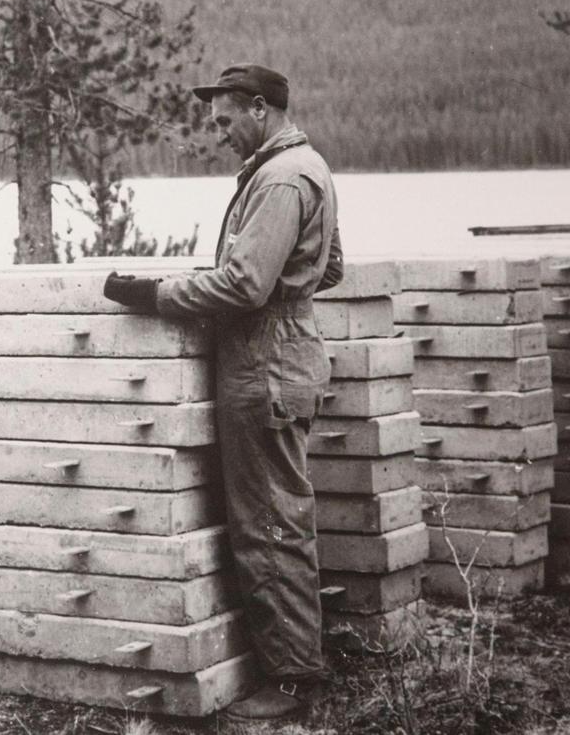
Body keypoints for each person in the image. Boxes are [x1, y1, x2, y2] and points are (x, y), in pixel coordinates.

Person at [103, 64, 343, 721]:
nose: (221, 134)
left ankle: (294, 679)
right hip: (283, 359)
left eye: (226, 120)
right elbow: (333, 265)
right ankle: (298, 663)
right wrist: (282, 300)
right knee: (280, 518)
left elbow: (243, 285)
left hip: (263, 369)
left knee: (268, 527)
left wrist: (156, 293)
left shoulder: (280, 176)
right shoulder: (306, 167)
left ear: (260, 109)